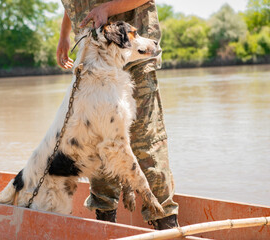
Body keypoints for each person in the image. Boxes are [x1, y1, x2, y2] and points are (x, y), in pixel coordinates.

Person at [56, 0, 179, 230]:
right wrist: (64, 34)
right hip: (94, 57)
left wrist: (106, 9)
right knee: (99, 142)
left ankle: (166, 225)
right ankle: (106, 226)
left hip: (134, 49)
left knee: (147, 144)